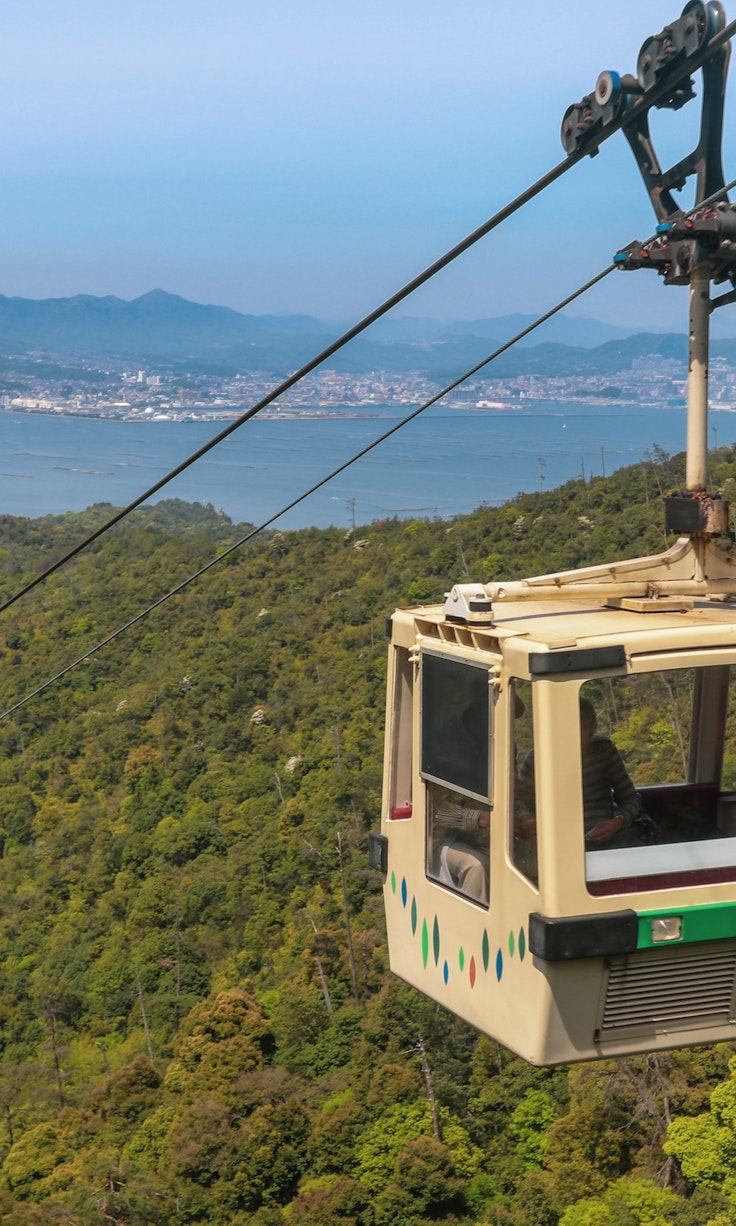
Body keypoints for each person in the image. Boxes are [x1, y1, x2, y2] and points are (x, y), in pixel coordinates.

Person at [579, 696, 641, 846]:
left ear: (591, 729)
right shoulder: (536, 759)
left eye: (582, 732)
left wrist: (618, 822)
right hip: (555, 847)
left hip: (608, 842)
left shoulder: (603, 750)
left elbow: (630, 797)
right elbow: (524, 809)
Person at [430, 786, 490, 904]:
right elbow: (437, 812)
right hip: (433, 840)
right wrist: (481, 818)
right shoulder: (435, 779)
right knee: (475, 866)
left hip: (463, 833)